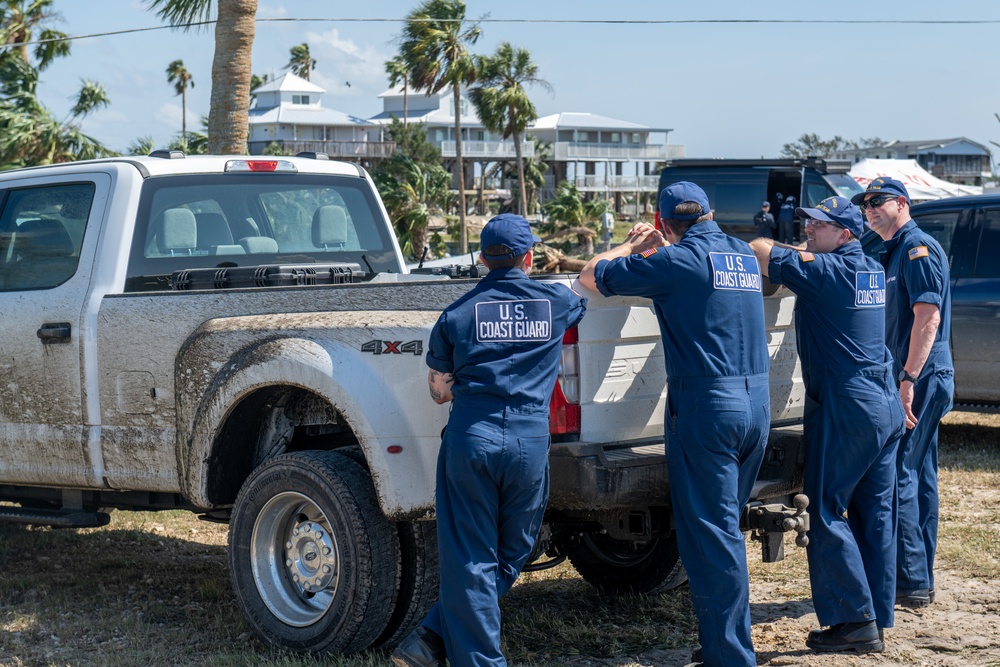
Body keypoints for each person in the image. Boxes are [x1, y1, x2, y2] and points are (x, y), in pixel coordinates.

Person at [579, 182, 770, 667]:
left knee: (711, 534)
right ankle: (727, 645)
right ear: (709, 213)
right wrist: (664, 249)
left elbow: (588, 275)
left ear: (664, 223)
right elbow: (697, 272)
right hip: (757, 403)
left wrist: (631, 245)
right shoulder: (741, 257)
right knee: (726, 525)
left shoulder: (674, 262)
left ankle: (728, 655)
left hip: (708, 405)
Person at [392, 213, 587, 667]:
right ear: (529, 257)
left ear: (482, 259)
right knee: (514, 550)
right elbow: (587, 283)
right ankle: (438, 643)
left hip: (473, 438)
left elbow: (439, 391)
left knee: (470, 556)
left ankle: (440, 639)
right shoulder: (553, 302)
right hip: (528, 444)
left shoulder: (457, 313)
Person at [750, 197, 905, 653]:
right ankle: (876, 612)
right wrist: (806, 248)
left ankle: (853, 622)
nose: (810, 230)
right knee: (873, 512)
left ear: (846, 234)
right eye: (808, 223)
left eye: (820, 225)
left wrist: (795, 250)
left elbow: (760, 248)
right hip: (882, 399)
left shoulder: (829, 271)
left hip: (849, 403)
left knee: (826, 509)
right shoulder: (870, 269)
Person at [851, 177, 954, 609]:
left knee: (900, 475)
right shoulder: (892, 250)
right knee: (920, 472)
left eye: (878, 202)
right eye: (866, 205)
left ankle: (911, 581)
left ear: (902, 203)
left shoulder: (917, 249)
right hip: (918, 374)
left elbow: (927, 318)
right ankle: (920, 576)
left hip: (921, 376)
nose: (870, 210)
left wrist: (908, 380)